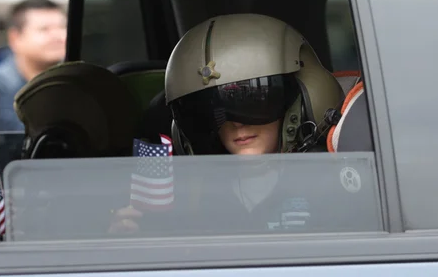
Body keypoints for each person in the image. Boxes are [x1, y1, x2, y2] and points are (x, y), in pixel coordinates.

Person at [109, 13, 346, 235]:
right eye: (213, 112)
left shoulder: (334, 184)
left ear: (296, 105)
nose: (236, 124)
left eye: (253, 104)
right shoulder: (192, 194)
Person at [0, 0, 67, 132]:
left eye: (62, 27)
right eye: (44, 29)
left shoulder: (75, 84)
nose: (58, 36)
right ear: (15, 38)